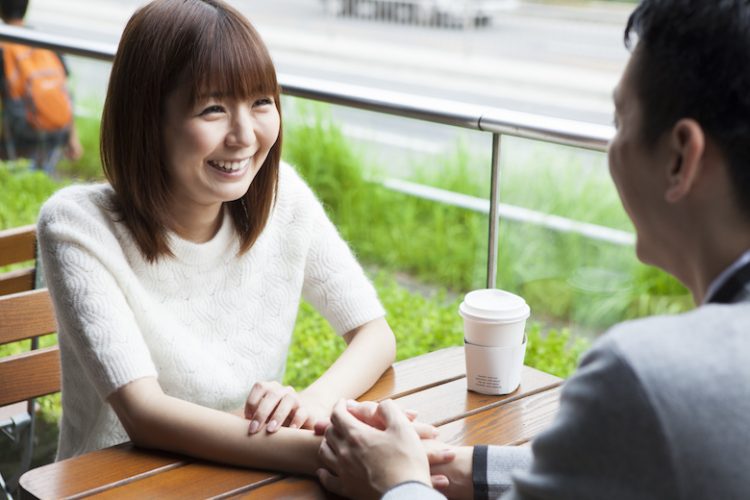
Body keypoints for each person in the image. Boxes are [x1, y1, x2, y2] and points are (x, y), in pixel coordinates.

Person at [315, 0, 750, 497]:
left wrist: (399, 480)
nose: (613, 146)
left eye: (619, 121)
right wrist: (457, 466)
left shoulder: (647, 379)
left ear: (680, 158)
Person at [36, 0, 397, 474]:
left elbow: (375, 335)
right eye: (212, 109)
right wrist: (335, 456)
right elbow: (145, 414)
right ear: (146, 119)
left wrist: (314, 404)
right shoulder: (77, 226)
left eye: (261, 102)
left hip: (245, 471)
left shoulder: (283, 198)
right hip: (120, 483)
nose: (244, 135)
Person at [0, 0, 83, 174]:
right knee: (42, 180)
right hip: (56, 131)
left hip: (20, 135)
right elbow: (64, 89)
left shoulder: (4, 45)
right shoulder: (43, 41)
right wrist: (72, 137)